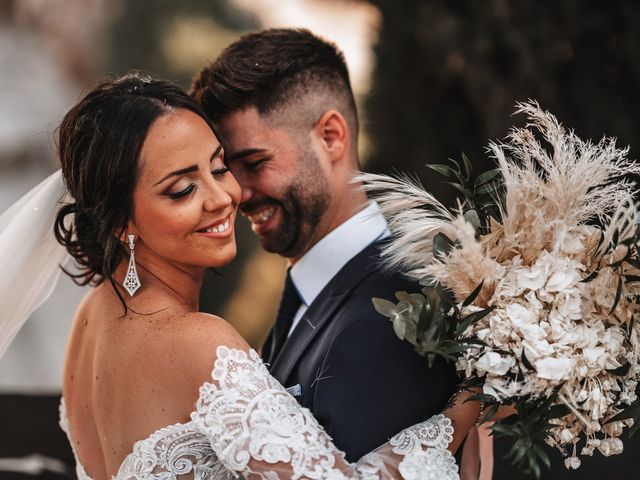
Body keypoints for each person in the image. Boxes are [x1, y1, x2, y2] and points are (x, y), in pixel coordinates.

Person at [0, 73, 480, 479]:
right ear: (122, 219)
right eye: (182, 188)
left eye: (218, 166)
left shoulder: (92, 317)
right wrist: (470, 406)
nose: (223, 197)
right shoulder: (198, 342)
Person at [191, 28, 460, 461]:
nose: (234, 194)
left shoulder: (392, 313)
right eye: (226, 170)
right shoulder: (313, 296)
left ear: (331, 136)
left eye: (254, 163)